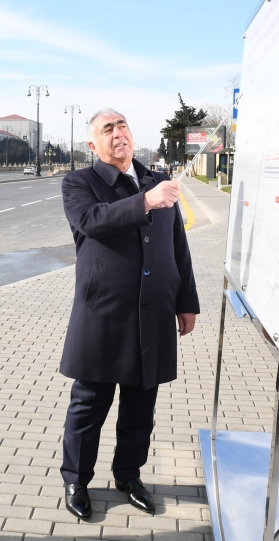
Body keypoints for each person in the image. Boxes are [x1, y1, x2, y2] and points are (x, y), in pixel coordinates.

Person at [58, 108, 199, 520]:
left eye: (122, 126)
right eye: (108, 129)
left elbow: (178, 246)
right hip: (104, 313)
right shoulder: (80, 182)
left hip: (153, 313)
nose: (118, 133)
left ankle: (129, 475)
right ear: (93, 144)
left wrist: (186, 301)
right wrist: (145, 201)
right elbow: (90, 220)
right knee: (89, 405)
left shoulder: (158, 182)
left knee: (141, 406)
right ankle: (76, 480)